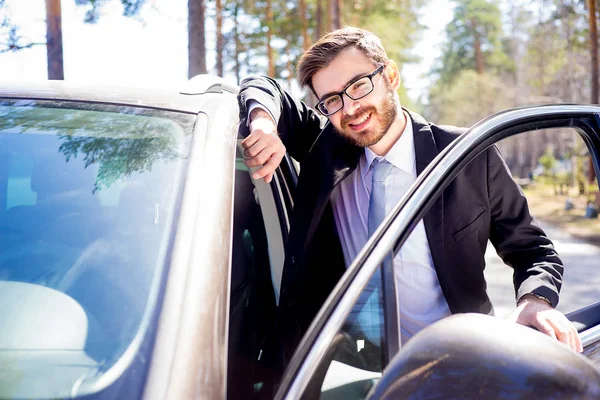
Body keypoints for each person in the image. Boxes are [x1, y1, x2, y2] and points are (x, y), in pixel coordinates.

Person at [237, 27, 582, 371]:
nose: (351, 108)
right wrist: (263, 121)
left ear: (390, 75)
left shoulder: (466, 157)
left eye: (359, 85)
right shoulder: (324, 148)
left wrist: (536, 300)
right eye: (333, 100)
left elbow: (532, 249)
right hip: (350, 367)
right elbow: (260, 87)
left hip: (458, 362)